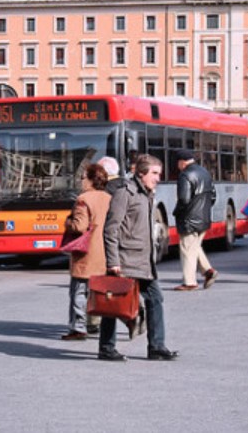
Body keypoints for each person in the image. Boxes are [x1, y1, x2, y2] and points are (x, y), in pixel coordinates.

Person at [99, 154, 178, 362]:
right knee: (114, 304)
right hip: (126, 259)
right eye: (154, 173)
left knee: (155, 299)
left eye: (159, 174)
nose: (158, 178)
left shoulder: (147, 194)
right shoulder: (125, 193)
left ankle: (157, 347)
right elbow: (111, 229)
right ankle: (107, 348)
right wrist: (113, 261)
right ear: (141, 173)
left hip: (144, 260)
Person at [60, 163, 111, 341]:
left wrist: (67, 222)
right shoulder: (108, 198)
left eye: (83, 177)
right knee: (100, 292)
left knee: (79, 291)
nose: (81, 181)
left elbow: (79, 226)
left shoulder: (83, 200)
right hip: (104, 251)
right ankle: (101, 323)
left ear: (91, 180)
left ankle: (78, 327)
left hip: (86, 253)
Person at [172, 149, 218, 291]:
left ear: (182, 162)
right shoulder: (205, 173)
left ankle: (189, 282)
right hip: (204, 218)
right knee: (194, 247)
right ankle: (208, 271)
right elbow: (213, 196)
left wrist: (177, 212)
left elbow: (184, 199)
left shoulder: (185, 175)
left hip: (188, 219)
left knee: (187, 249)